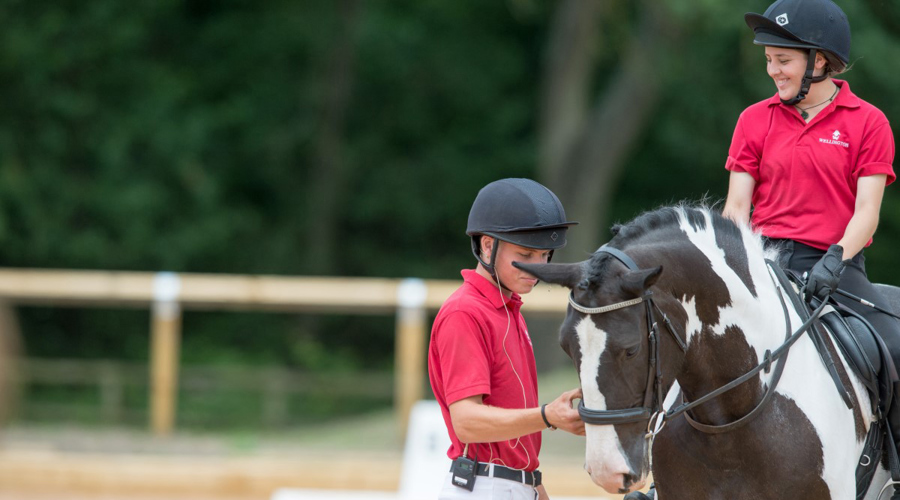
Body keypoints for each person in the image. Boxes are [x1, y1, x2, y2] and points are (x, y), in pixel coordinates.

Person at [723, 0, 900, 497]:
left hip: (835, 265)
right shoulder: (754, 120)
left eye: (783, 59)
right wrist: (736, 258)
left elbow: (867, 211)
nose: (771, 69)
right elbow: (738, 205)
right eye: (769, 60)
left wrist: (835, 259)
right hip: (762, 261)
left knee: (895, 346)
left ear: (819, 61)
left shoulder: (869, 122)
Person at [428, 178, 586, 500]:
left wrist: (536, 488)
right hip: (483, 486)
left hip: (516, 484)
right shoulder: (465, 313)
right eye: (526, 254)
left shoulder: (509, 311)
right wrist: (547, 416)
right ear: (487, 245)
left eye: (545, 255)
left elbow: (517, 451)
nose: (539, 267)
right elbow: (467, 422)